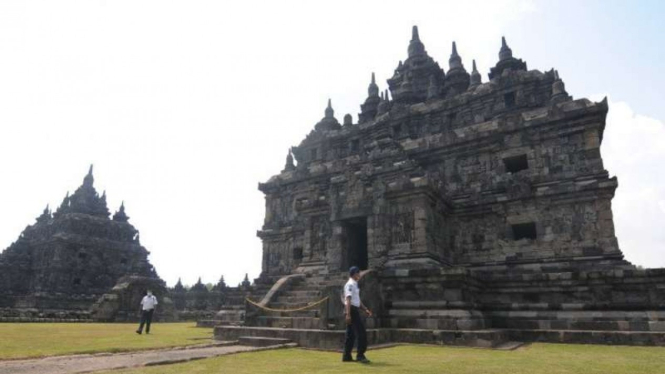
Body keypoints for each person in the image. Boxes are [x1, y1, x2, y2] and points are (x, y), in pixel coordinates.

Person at [342, 266, 372, 364]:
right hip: (351, 310)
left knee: (350, 334)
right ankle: (360, 355)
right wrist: (348, 314)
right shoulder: (350, 284)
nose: (359, 275)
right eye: (358, 273)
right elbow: (348, 299)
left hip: (353, 309)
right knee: (361, 332)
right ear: (354, 274)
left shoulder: (355, 284)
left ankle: (347, 356)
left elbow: (357, 300)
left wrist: (365, 309)